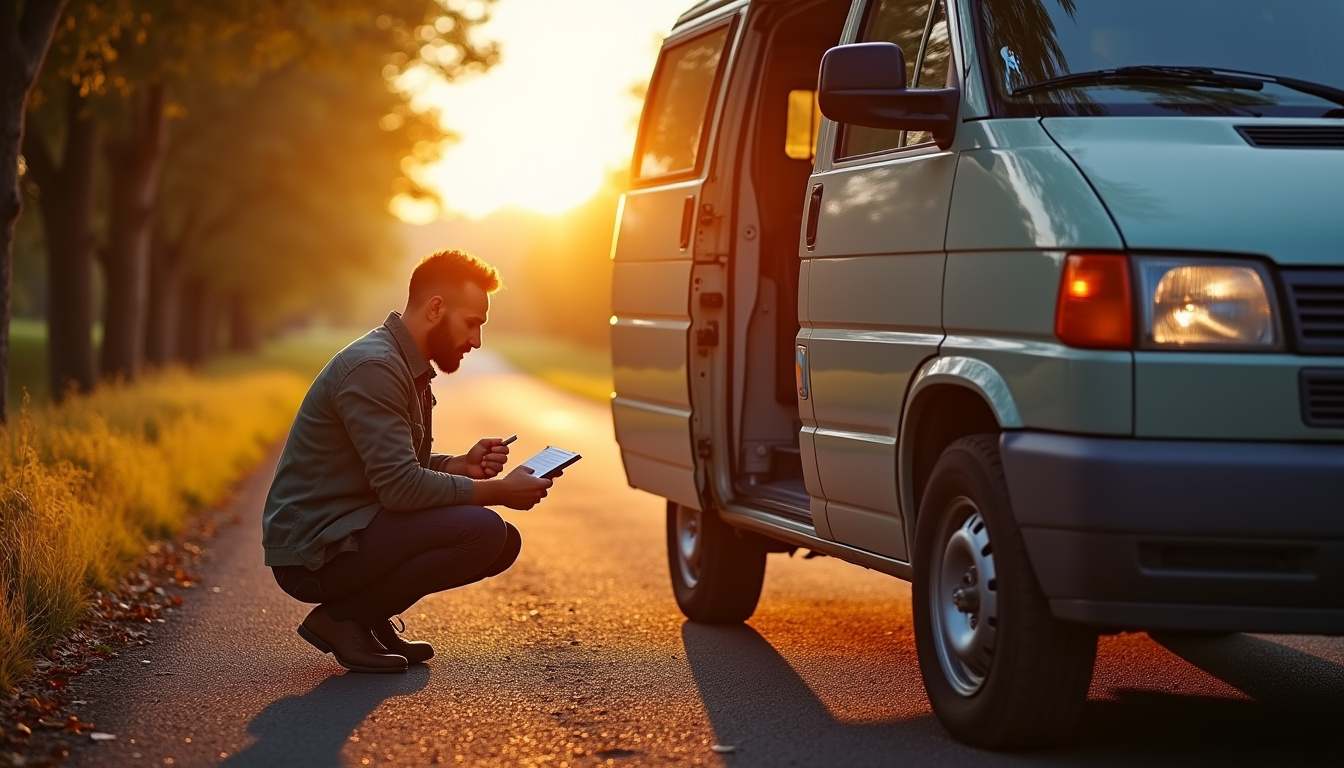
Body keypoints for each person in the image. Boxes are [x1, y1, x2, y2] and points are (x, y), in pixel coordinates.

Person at [262, 249, 555, 673]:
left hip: (351, 525)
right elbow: (400, 489)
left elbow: (396, 463)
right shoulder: (375, 367)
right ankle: (343, 620)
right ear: (436, 307)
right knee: (485, 531)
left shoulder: (401, 363)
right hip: (314, 551)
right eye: (472, 323)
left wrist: (459, 465)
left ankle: (367, 619)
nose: (476, 341)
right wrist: (499, 492)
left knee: (502, 542)